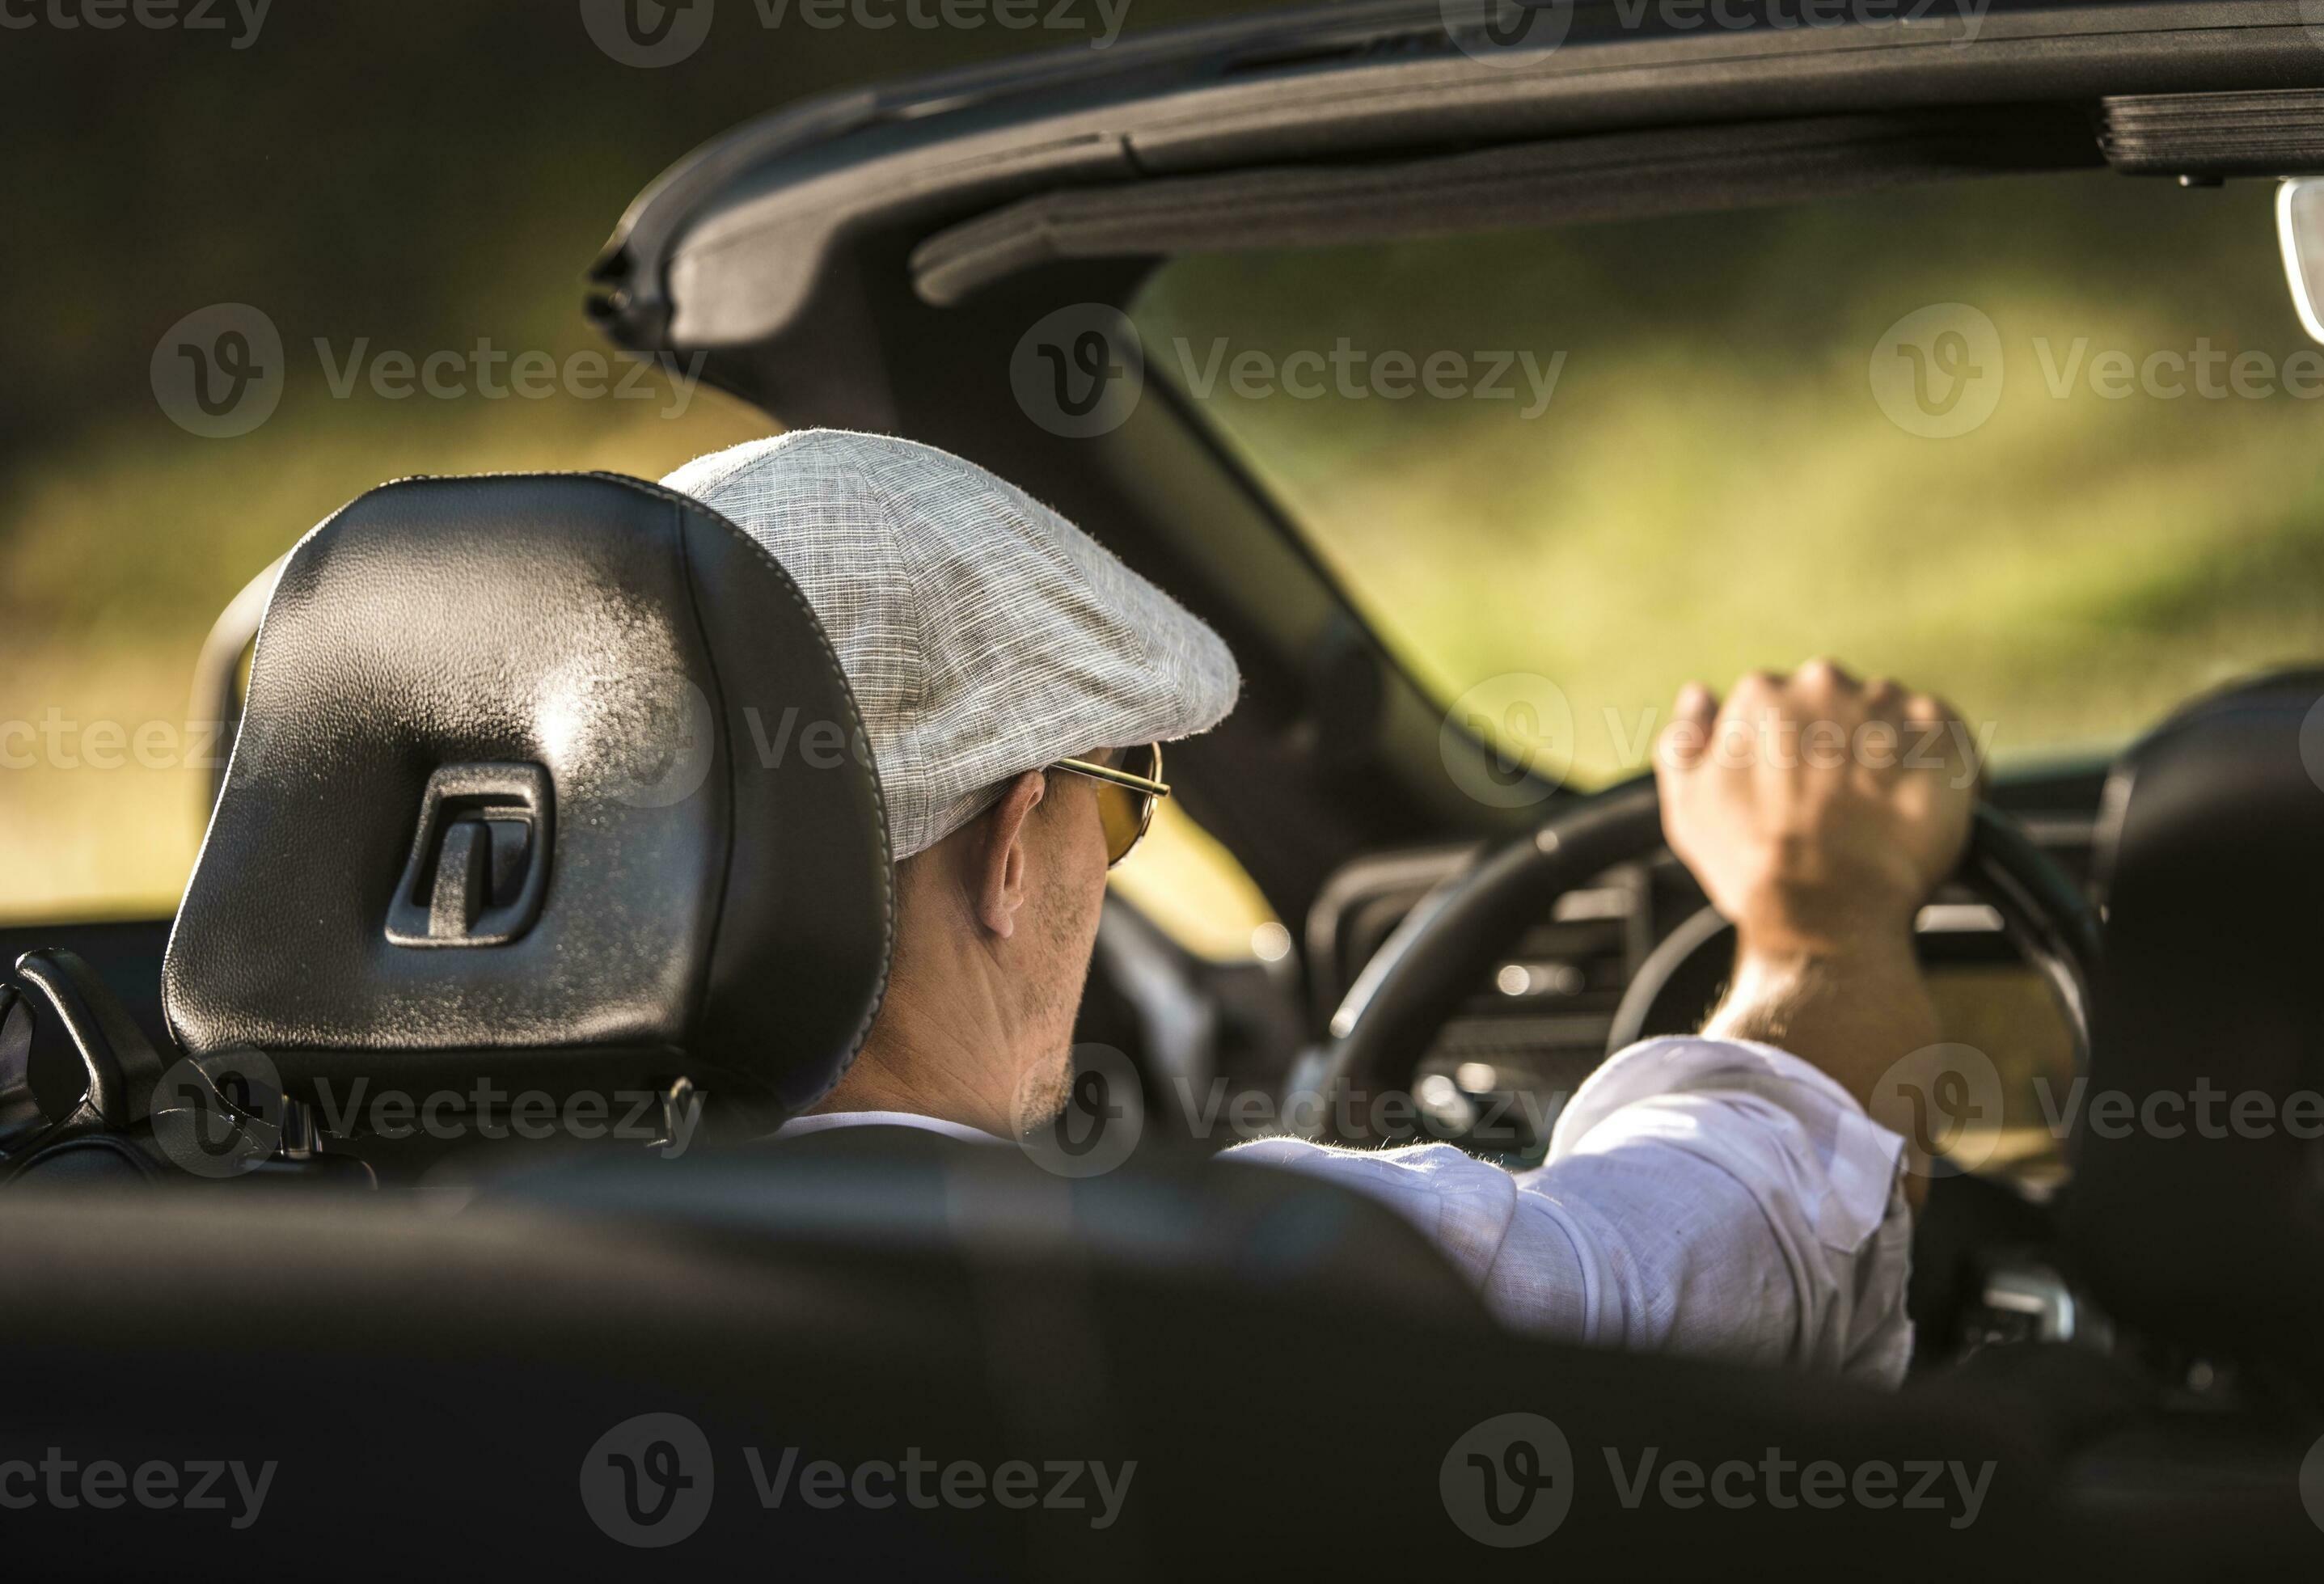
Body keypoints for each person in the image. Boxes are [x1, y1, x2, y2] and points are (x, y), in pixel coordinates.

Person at [665, 429, 1969, 1388]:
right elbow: (1767, 1223)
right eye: (1120, 803)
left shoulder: (481, 1269)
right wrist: (1825, 903)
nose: (1109, 855)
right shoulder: (1273, 1289)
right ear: (1011, 850)